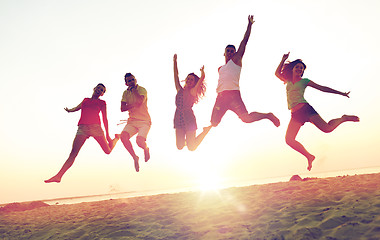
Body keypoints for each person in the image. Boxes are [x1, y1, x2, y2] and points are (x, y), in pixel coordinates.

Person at [275, 52, 360, 171]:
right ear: (293, 68)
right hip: (295, 115)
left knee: (327, 129)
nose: (299, 69)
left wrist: (341, 93)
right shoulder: (287, 80)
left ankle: (343, 118)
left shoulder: (304, 81)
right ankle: (309, 156)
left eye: (301, 68)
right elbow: (276, 73)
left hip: (306, 110)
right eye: (297, 67)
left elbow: (323, 88)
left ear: (302, 71)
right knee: (289, 140)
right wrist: (283, 59)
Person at [210, 15, 280, 128]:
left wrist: (249, 24)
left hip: (233, 95)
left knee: (246, 118)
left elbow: (244, 41)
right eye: (228, 51)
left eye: (232, 51)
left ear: (235, 53)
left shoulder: (236, 60)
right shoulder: (220, 68)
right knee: (213, 123)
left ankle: (268, 115)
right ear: (224, 53)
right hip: (221, 97)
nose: (230, 53)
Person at [45, 83, 119, 183]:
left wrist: (107, 135)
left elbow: (105, 118)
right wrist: (70, 110)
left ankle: (116, 139)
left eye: (101, 90)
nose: (99, 90)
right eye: (98, 88)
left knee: (108, 151)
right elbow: (78, 107)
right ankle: (58, 176)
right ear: (94, 88)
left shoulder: (102, 103)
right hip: (82, 128)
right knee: (73, 154)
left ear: (102, 94)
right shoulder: (85, 100)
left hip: (96, 128)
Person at [173, 54, 212, 151]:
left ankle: (205, 131)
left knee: (192, 147)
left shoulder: (193, 91)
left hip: (189, 118)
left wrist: (202, 73)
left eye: (192, 79)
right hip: (178, 118)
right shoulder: (179, 89)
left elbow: (201, 79)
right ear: (185, 80)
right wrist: (175, 62)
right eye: (188, 78)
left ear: (194, 83)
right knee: (179, 146)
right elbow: (176, 76)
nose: (189, 80)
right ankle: (189, 139)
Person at [120, 73, 151, 172]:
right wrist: (134, 105)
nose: (131, 82)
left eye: (132, 80)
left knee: (139, 142)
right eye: (129, 81)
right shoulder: (125, 93)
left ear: (135, 80)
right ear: (126, 83)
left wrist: (134, 92)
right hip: (132, 122)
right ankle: (135, 157)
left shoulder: (142, 90)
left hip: (144, 121)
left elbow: (140, 101)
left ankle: (146, 148)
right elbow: (122, 108)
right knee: (123, 137)